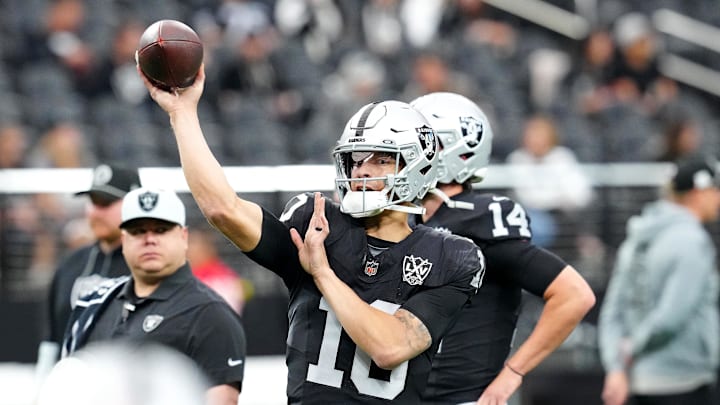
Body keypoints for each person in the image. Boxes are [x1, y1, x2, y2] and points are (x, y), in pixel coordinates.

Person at [139, 65, 485, 403]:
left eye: (381, 160)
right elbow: (223, 210)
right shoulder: (318, 222)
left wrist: (322, 273)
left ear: (418, 166)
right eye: (356, 160)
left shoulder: (451, 256)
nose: (362, 171)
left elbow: (389, 347)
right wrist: (182, 113)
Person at [409, 92, 596, 404]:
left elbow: (574, 295)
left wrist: (513, 373)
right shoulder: (405, 218)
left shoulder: (479, 218)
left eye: (422, 142)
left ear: (457, 149)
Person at [62, 187, 247, 405]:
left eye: (161, 230)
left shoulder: (211, 314)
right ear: (124, 240)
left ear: (183, 236)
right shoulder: (94, 304)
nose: (149, 239)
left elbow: (221, 400)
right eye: (138, 231)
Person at [598, 158, 720, 405]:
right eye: (716, 190)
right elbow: (671, 316)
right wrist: (630, 350)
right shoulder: (692, 241)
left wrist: (617, 366)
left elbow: (612, 313)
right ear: (699, 193)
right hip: (684, 380)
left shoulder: (635, 238)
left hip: (638, 382)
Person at [37, 163, 141, 376]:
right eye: (93, 202)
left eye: (107, 203)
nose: (96, 212)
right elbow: (51, 341)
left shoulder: (147, 266)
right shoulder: (70, 265)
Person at [187, 225, 249, 315]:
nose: (188, 250)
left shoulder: (223, 278)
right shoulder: (184, 275)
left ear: (207, 248)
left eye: (192, 244)